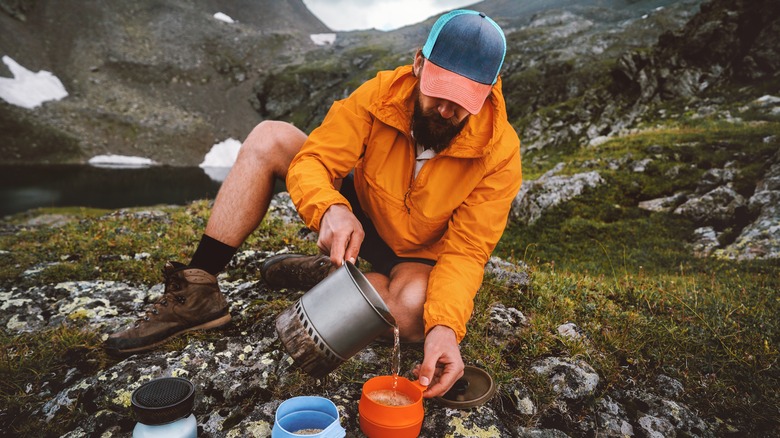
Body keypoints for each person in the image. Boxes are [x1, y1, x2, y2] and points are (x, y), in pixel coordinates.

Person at [106, 9, 522, 399]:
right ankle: (198, 289)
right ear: (418, 65)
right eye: (439, 92)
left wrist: (445, 327)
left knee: (415, 317)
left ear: (488, 91)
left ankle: (331, 274)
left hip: (419, 254)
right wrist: (330, 208)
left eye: (464, 101)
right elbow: (315, 159)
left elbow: (467, 251)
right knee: (271, 137)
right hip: (363, 213)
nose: (447, 109)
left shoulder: (499, 151)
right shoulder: (380, 94)